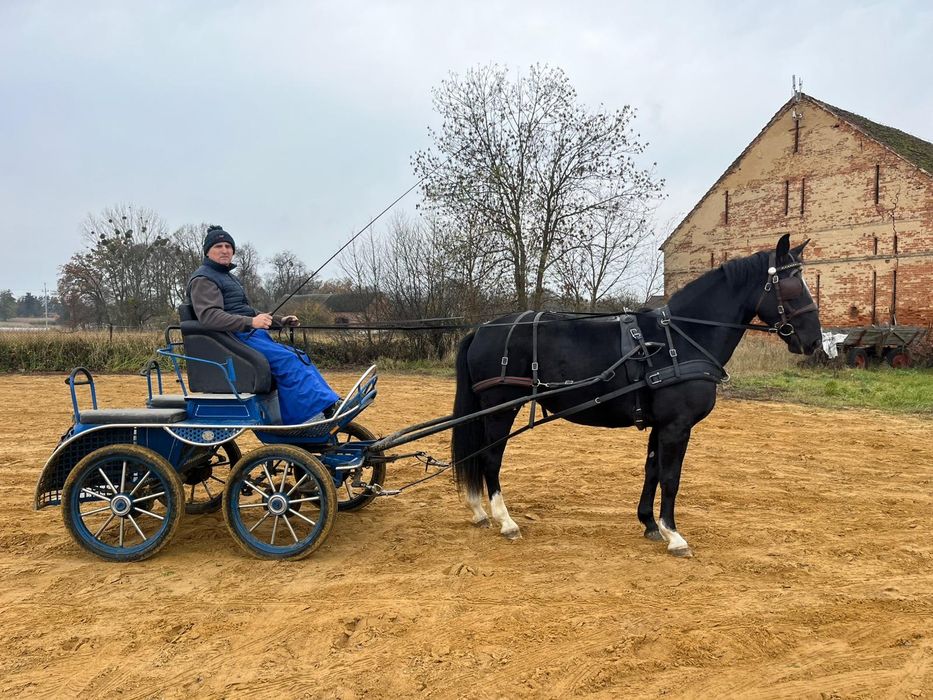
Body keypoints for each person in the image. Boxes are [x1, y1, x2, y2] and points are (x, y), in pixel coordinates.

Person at [186, 225, 340, 424]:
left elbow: (247, 311)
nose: (224, 250)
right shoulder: (204, 279)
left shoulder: (228, 277)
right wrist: (251, 322)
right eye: (218, 246)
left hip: (247, 335)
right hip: (232, 339)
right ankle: (307, 417)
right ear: (207, 252)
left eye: (228, 246)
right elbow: (210, 316)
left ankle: (327, 404)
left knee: (299, 356)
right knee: (288, 360)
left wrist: (279, 321)